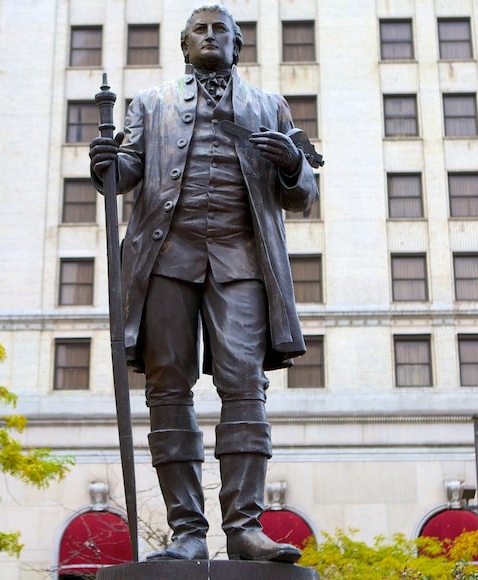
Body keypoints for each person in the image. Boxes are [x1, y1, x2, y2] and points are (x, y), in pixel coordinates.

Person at [89, 4, 318, 563]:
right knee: (168, 388)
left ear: (238, 45)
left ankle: (244, 528)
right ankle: (188, 532)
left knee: (244, 386)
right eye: (200, 30)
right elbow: (125, 174)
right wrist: (105, 165)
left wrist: (291, 162)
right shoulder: (150, 104)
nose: (211, 37)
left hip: (241, 261)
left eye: (223, 31)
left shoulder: (269, 105)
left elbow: (302, 193)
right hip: (167, 258)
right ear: (184, 45)